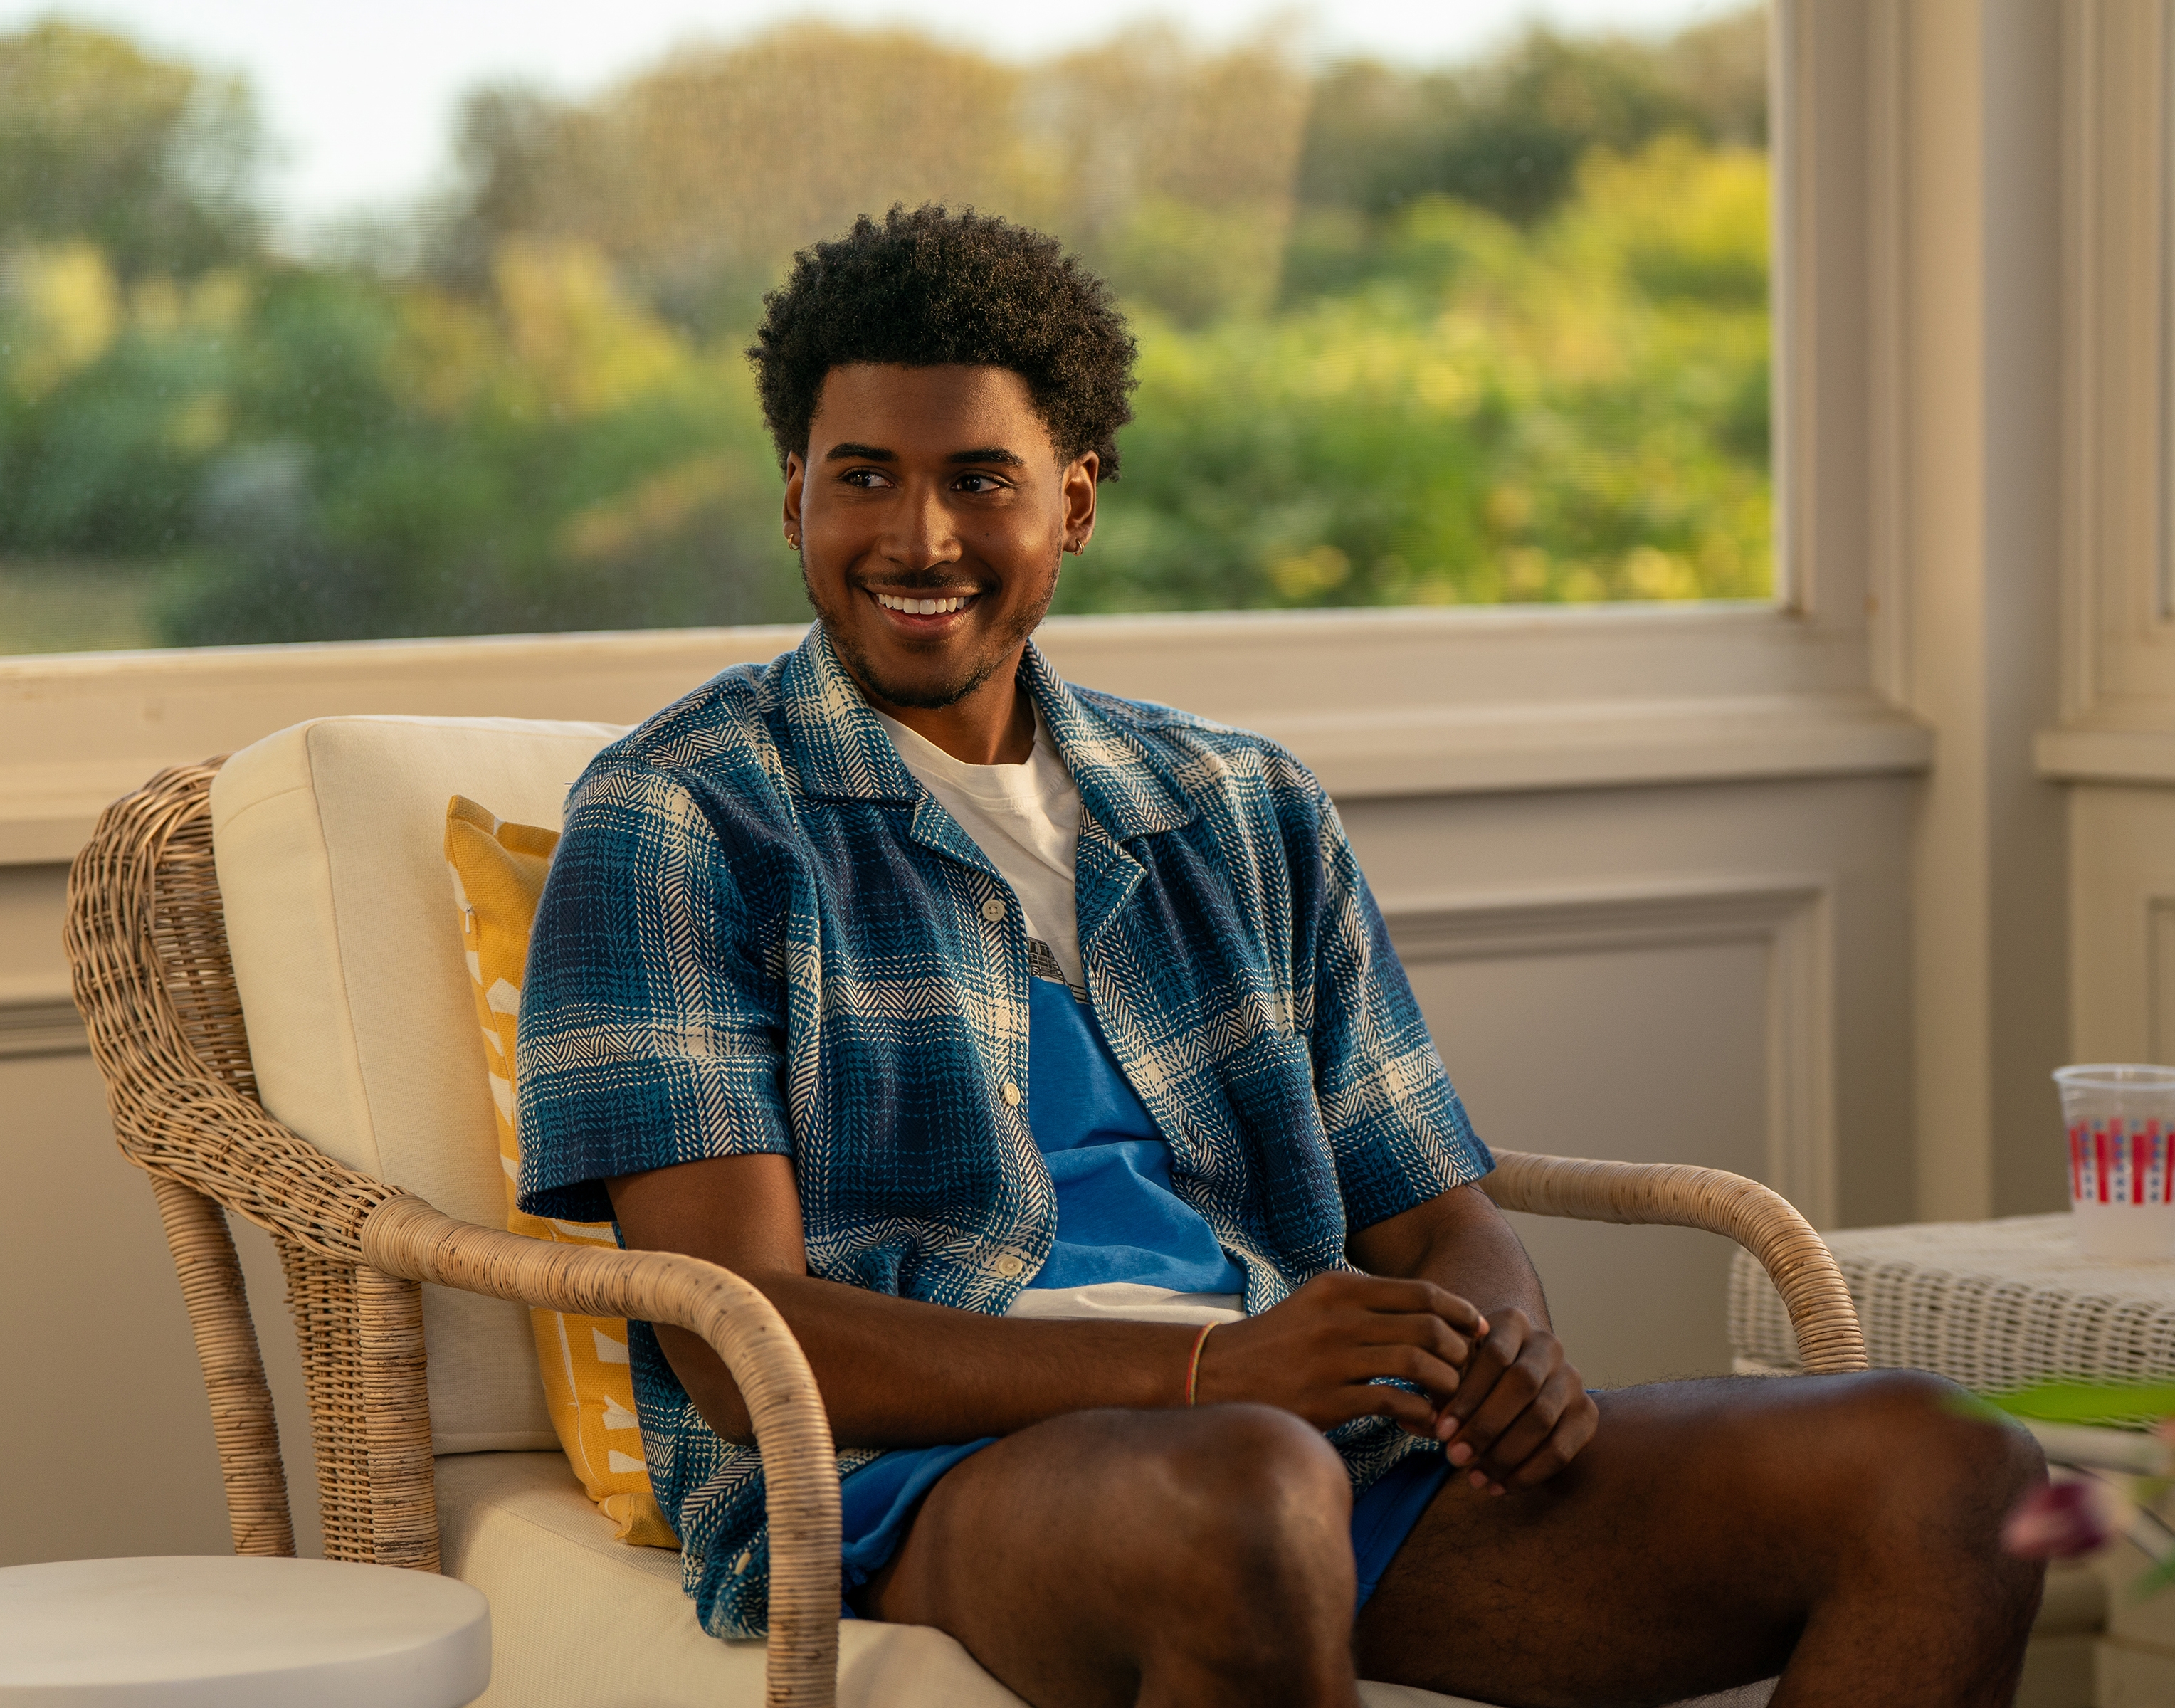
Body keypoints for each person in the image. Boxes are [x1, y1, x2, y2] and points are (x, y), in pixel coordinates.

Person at [515, 204, 2045, 1708]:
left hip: (1325, 1453)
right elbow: (735, 1335)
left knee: (1949, 1471)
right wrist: (1207, 1379)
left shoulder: (1241, 807)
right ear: (796, 501)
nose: (920, 539)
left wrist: (1503, 1340)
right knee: (1247, 1491)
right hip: (927, 1477)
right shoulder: (682, 816)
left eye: (981, 479)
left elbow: (1441, 1215)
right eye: (866, 480)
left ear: (1076, 502)